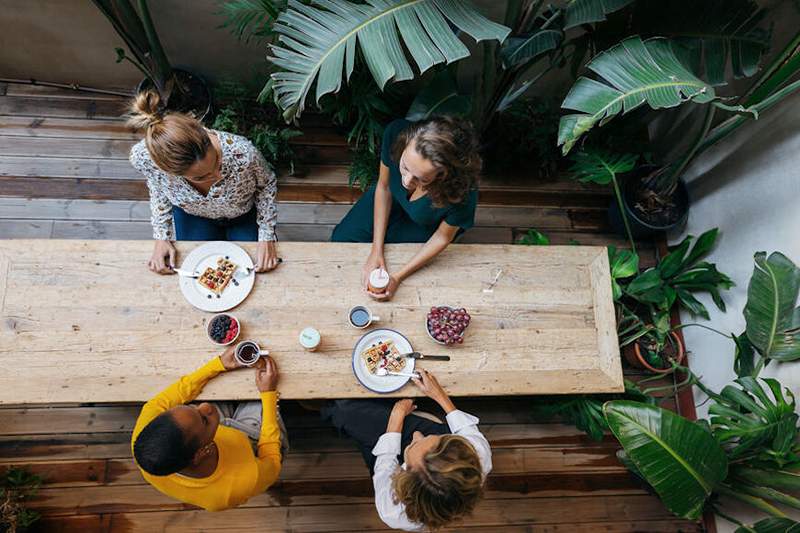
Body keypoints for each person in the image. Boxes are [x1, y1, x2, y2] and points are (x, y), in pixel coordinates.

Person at [128, 90, 280, 274]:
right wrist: (161, 236)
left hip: (243, 215)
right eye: (200, 177)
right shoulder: (143, 159)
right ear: (169, 171)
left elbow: (267, 184)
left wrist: (266, 236)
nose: (218, 177)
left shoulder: (244, 153)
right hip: (192, 216)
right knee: (195, 268)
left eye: (216, 162)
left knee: (257, 268)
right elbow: (158, 186)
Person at [331, 117, 481, 300]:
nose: (407, 181)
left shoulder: (462, 192)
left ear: (444, 176)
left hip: (425, 221)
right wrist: (376, 251)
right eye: (404, 167)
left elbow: (442, 237)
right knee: (341, 240)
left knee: (401, 260)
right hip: (390, 198)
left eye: (422, 179)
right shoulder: (395, 133)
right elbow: (384, 186)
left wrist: (397, 277)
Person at [321, 369, 491, 531]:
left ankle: (327, 407)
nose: (417, 434)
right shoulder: (475, 457)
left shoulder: (392, 510)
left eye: (415, 443)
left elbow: (385, 463)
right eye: (434, 440)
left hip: (386, 461)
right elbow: (466, 429)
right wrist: (437, 394)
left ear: (404, 474)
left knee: (344, 411)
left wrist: (397, 417)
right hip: (430, 449)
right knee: (362, 419)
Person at [131, 346, 283, 511]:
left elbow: (159, 403)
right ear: (200, 454)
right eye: (203, 419)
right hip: (253, 443)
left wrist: (219, 364)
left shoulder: (145, 440)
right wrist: (269, 394)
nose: (206, 405)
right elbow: (272, 463)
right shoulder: (238, 486)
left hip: (215, 432)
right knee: (259, 399)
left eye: (192, 407)